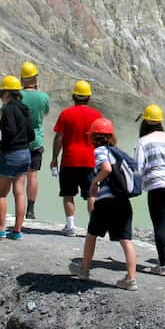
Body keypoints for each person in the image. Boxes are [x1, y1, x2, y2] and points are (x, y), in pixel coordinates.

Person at [75, 118, 138, 290]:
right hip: (123, 201)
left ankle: (84, 270)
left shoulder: (100, 151)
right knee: (126, 239)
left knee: (91, 235)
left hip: (106, 202)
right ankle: (131, 279)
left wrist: (94, 181)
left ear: (94, 137)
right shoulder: (117, 152)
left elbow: (107, 168)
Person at [134, 104, 165, 275]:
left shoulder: (143, 141)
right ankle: (164, 257)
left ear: (146, 122)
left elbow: (138, 167)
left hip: (158, 186)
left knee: (159, 223)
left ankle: (163, 265)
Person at [50, 80, 101, 237]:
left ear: (74, 96)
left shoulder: (66, 114)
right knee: (91, 195)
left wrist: (54, 158)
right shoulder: (96, 115)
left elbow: (59, 137)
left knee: (68, 194)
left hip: (69, 160)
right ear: (88, 97)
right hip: (90, 161)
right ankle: (93, 228)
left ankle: (70, 226)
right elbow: (101, 139)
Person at [0, 75, 32, 240]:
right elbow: (31, 135)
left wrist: (1, 149)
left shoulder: (7, 110)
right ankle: (17, 231)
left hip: (10, 154)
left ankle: (0, 229)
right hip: (25, 154)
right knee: (19, 193)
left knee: (0, 194)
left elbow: (9, 133)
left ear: (5, 93)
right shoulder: (24, 108)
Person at [18, 61, 50, 221]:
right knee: (33, 175)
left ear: (22, 79)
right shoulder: (43, 97)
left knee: (15, 175)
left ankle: (8, 205)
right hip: (36, 140)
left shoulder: (18, 96)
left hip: (19, 140)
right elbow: (45, 114)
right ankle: (30, 209)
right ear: (36, 78)